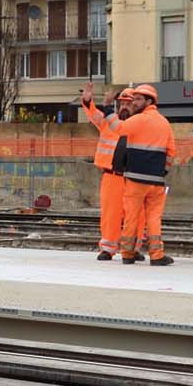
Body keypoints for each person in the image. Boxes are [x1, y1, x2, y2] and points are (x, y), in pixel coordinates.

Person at [111, 83, 176, 265]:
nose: (134, 102)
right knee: (154, 217)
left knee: (131, 216)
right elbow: (171, 152)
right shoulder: (164, 123)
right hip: (156, 180)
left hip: (135, 179)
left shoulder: (139, 119)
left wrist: (108, 110)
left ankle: (127, 254)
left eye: (138, 99)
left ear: (149, 101)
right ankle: (157, 255)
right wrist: (163, 170)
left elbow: (118, 128)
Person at [77, 81, 137, 261]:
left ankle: (132, 249)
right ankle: (108, 248)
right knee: (111, 214)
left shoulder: (140, 124)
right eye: (122, 103)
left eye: (128, 104)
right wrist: (87, 100)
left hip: (134, 176)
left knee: (134, 215)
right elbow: (93, 113)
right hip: (112, 176)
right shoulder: (107, 121)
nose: (124, 107)